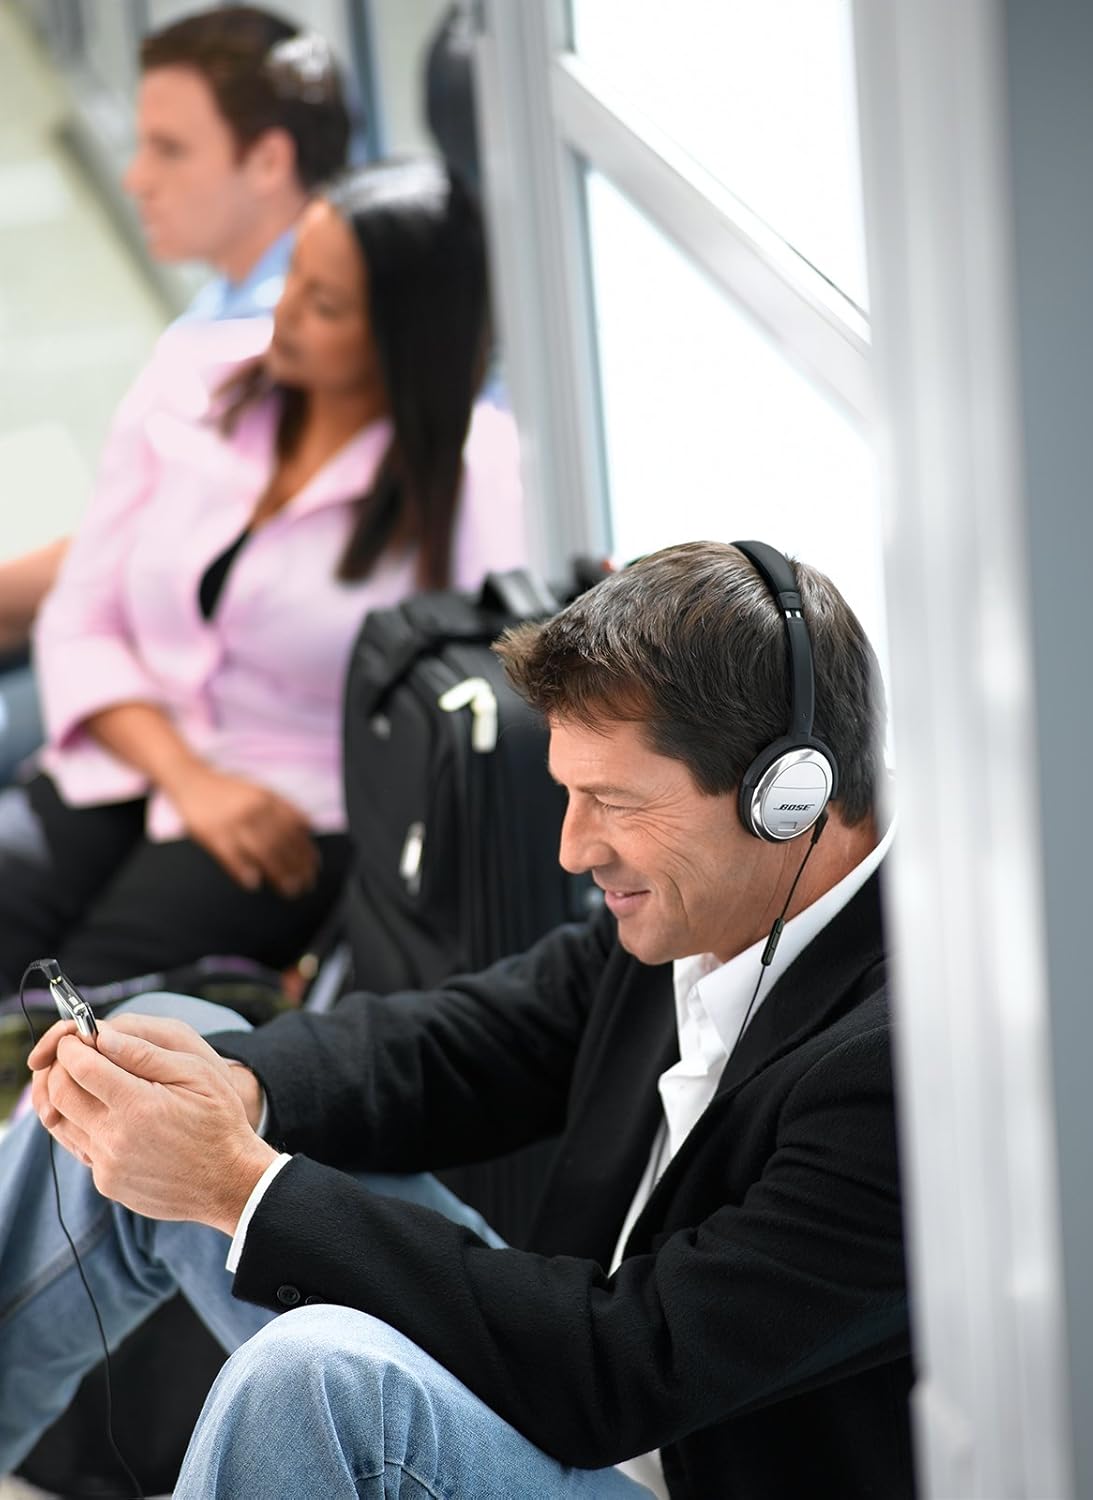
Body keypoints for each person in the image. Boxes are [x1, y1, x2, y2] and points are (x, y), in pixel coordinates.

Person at [0, 539, 911, 1498]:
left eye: (610, 802)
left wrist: (236, 1182)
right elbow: (462, 1044)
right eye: (568, 793)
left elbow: (629, 1368)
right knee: (151, 1066)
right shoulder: (701, 907)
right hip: (570, 1388)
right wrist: (239, 1088)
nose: (571, 848)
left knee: (315, 1379)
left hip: (646, 1439)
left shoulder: (897, 1068)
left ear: (786, 796)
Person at [0, 156, 524, 993]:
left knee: (79, 1017)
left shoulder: (474, 476)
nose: (282, 315)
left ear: (403, 336)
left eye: (325, 306)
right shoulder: (191, 383)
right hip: (127, 746)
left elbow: (459, 720)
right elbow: (80, 614)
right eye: (292, 278)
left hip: (290, 814)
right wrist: (186, 777)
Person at [0, 4, 352, 786]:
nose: (135, 176)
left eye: (169, 150)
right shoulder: (235, 296)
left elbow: (143, 565)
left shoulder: (279, 343)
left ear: (266, 162)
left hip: (189, 707)